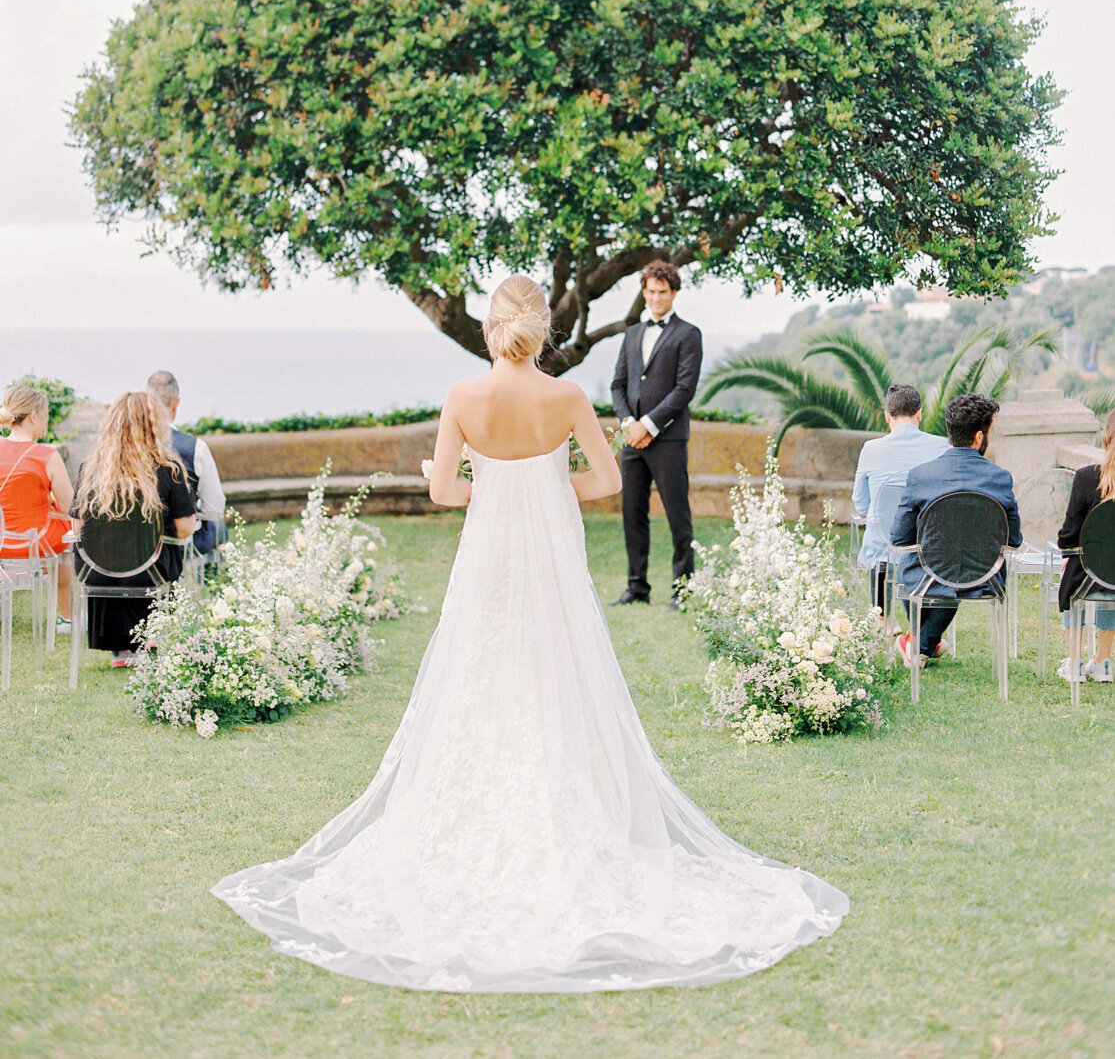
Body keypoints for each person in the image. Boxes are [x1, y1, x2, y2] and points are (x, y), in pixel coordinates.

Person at [212, 274, 847, 992]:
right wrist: (538, 485)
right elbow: (606, 480)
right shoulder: (567, 397)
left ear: (491, 329)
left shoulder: (462, 399)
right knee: (554, 671)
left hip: (488, 562)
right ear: (542, 330)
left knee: (479, 675)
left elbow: (445, 492)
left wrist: (498, 486)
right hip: (548, 563)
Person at [891, 393, 1022, 668]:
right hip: (985, 578)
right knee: (953, 568)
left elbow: (899, 537)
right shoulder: (1000, 478)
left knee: (923, 566)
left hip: (928, 576)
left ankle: (919, 643)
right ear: (978, 438)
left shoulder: (920, 476)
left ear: (950, 433)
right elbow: (1014, 540)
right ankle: (925, 642)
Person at [71, 391, 197, 667]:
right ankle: (150, 633)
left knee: (118, 556)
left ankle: (121, 647)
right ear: (154, 426)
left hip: (97, 574)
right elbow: (186, 528)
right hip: (150, 573)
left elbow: (77, 527)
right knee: (154, 555)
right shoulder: (169, 470)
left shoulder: (90, 470)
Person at [609, 260, 703, 609]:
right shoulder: (632, 333)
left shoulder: (688, 334)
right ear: (644, 292)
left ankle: (683, 591)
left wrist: (647, 425)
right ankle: (637, 588)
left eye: (663, 292)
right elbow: (618, 384)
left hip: (668, 440)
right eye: (650, 292)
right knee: (632, 514)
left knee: (679, 517)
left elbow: (684, 389)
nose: (656, 298)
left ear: (673, 293)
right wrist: (629, 425)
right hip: (631, 442)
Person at [851, 383, 949, 609]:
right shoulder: (942, 447)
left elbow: (862, 505)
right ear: (920, 414)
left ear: (887, 416)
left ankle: (881, 614)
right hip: (927, 547)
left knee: (880, 536)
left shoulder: (870, 449)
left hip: (883, 550)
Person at [0, 384, 75, 631]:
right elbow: (69, 507)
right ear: (34, 416)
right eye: (45, 416)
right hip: (34, 543)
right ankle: (67, 616)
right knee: (68, 530)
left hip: (2, 542)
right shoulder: (46, 454)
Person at [1055, 409, 1115, 684]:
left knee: (1074, 567)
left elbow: (1068, 536)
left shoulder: (1086, 477)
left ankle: (1076, 661)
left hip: (1087, 579)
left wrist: (1069, 552)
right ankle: (1103, 662)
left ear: (1106, 436)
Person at [145, 370, 226, 559]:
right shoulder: (195, 448)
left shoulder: (129, 448)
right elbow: (214, 508)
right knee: (219, 526)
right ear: (176, 403)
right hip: (181, 544)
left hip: (140, 544)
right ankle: (212, 577)